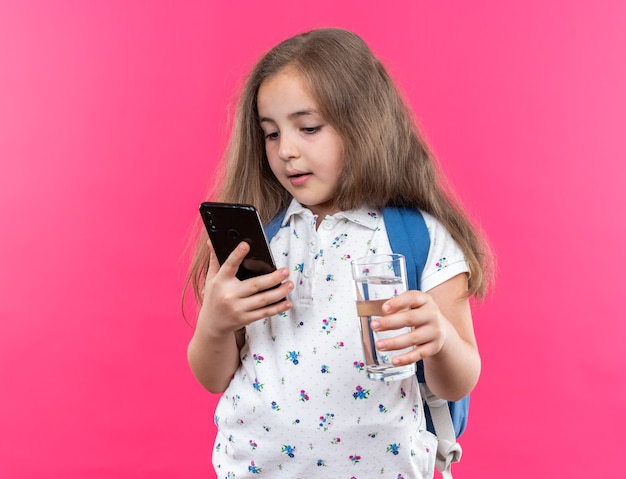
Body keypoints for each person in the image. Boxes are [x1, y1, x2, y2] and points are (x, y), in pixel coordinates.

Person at [186, 28, 493, 479]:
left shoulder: (419, 237)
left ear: (364, 122)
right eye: (271, 134)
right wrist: (214, 325)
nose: (287, 151)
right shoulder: (257, 241)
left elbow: (458, 381)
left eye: (308, 128)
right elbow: (214, 378)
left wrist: (440, 340)